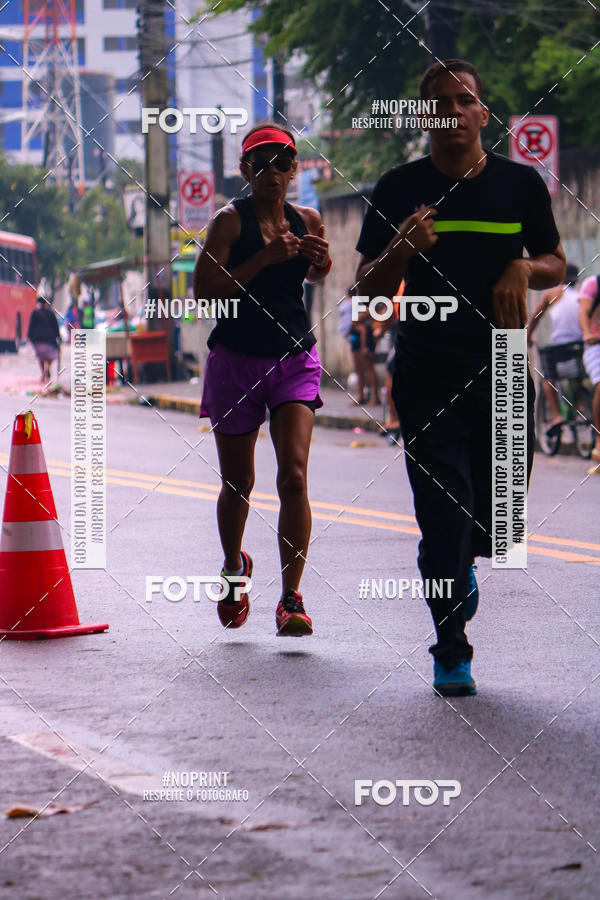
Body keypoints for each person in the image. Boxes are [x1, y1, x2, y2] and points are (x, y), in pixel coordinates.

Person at [355, 59, 565, 696]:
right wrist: (401, 248)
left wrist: (523, 270)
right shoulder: (398, 188)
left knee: (501, 524)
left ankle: (459, 561)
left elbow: (557, 262)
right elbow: (366, 289)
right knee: (443, 518)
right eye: (439, 102)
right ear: (424, 114)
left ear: (482, 112)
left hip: (502, 366)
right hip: (427, 370)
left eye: (463, 100)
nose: (451, 111)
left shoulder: (519, 185)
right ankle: (450, 647)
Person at [193, 122, 332, 637]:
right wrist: (263, 259)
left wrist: (320, 261)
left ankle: (291, 598)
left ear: (294, 169)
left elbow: (315, 273)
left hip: (294, 358)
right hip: (235, 362)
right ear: (245, 171)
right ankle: (235, 568)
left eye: (283, 162)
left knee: (293, 476)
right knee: (239, 483)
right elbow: (205, 289)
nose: (273, 171)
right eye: (261, 163)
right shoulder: (229, 222)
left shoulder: (308, 219)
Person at [527, 263, 583, 435]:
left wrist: (527, 337)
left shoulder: (552, 294)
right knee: (579, 373)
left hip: (560, 346)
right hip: (580, 344)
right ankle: (579, 404)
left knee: (547, 377)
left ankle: (557, 416)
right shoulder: (581, 295)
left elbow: (535, 317)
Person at [577, 272, 600, 465]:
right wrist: (586, 333)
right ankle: (599, 440)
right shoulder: (593, 284)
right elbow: (583, 312)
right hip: (596, 345)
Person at [27, 296, 61, 383]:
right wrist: (58, 337)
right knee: (51, 356)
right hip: (50, 340)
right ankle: (48, 368)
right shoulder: (51, 313)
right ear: (46, 303)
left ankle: (43, 373)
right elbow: (56, 327)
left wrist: (29, 337)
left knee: (41, 357)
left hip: (38, 340)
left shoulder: (35, 313)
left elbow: (31, 326)